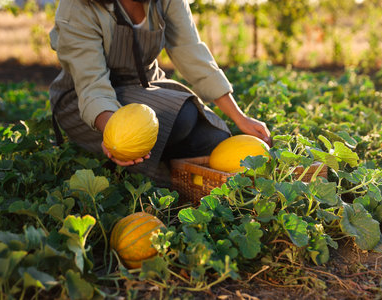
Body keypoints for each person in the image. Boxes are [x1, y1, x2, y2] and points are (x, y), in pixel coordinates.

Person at [49, 0, 272, 185]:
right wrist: (114, 135)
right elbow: (92, 85)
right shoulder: (77, 6)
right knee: (182, 116)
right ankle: (131, 175)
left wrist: (239, 117)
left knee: (214, 138)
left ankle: (160, 164)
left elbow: (191, 51)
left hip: (144, 85)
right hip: (83, 100)